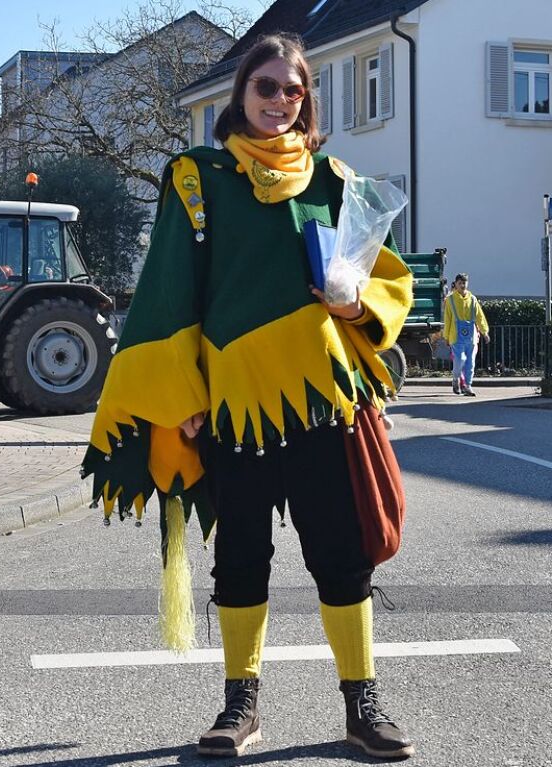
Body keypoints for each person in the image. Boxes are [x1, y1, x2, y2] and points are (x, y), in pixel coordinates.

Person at [82, 34, 415, 760]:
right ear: (242, 94)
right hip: (233, 403)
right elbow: (173, 288)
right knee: (240, 557)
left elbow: (383, 275)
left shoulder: (332, 179)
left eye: (294, 90)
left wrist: (359, 308)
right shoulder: (199, 178)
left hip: (322, 400)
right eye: (267, 87)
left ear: (307, 99)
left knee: (341, 555)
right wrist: (183, 391)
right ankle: (241, 702)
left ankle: (362, 702)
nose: (280, 101)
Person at [443, 273, 489, 396]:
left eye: (464, 283)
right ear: (456, 284)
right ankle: (455, 378)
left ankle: (468, 386)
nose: (462, 285)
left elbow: (479, 316)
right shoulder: (450, 300)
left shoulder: (473, 299)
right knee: (460, 359)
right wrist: (446, 336)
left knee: (470, 363)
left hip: (471, 336)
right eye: (460, 283)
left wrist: (484, 332)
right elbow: (447, 319)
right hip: (456, 336)